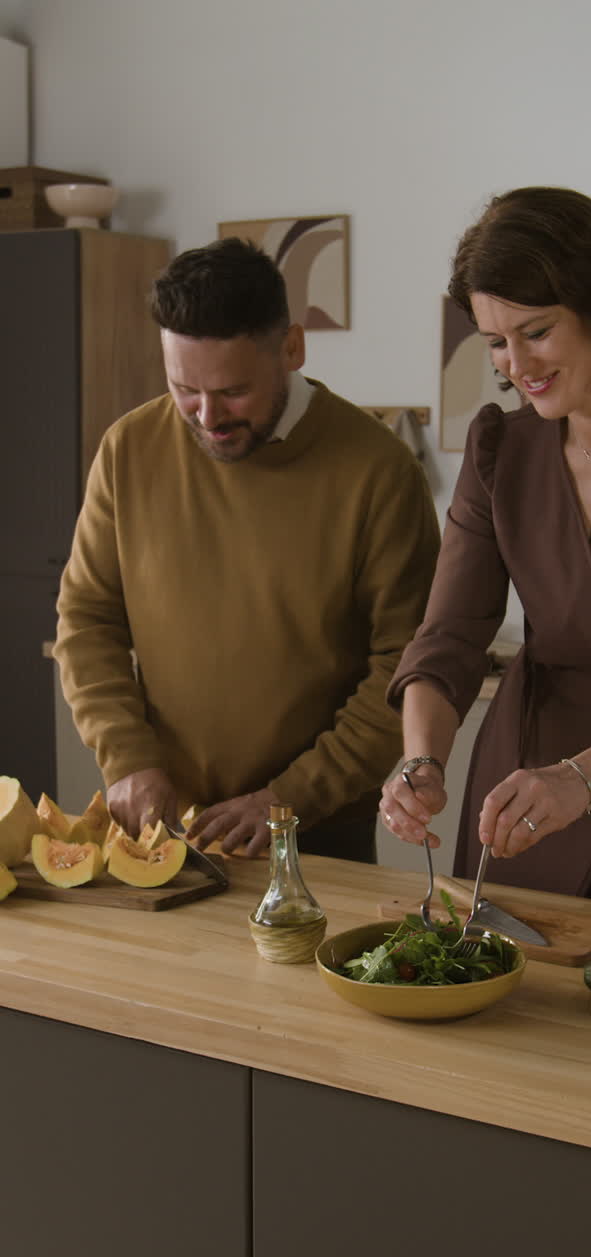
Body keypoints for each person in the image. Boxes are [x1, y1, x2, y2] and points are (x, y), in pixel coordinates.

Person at [381, 185, 591, 916]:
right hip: (522, 799)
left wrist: (583, 778)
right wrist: (421, 761)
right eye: (495, 341)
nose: (514, 364)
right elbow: (448, 639)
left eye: (535, 332)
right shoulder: (500, 445)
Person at [54, 237, 440, 861]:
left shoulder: (379, 471)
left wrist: (289, 798)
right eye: (184, 389)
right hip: (163, 825)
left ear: (292, 348)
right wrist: (126, 757)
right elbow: (87, 620)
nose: (207, 416)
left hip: (314, 835)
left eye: (233, 392)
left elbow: (404, 668)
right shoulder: (129, 449)